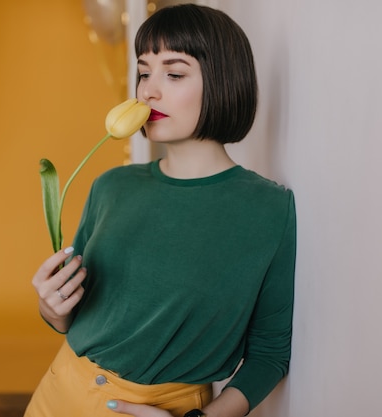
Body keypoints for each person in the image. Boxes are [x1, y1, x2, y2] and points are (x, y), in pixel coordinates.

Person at [24, 4, 296, 417]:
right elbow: (76, 316)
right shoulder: (111, 185)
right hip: (58, 395)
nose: (148, 91)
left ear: (223, 81)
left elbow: (270, 354)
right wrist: (51, 307)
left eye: (174, 73)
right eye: (143, 72)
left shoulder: (269, 210)